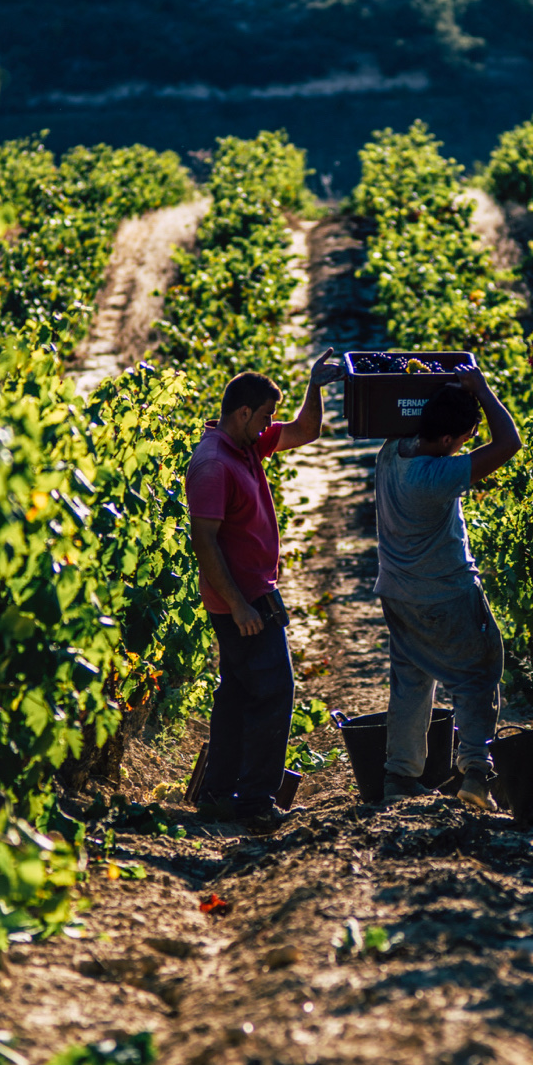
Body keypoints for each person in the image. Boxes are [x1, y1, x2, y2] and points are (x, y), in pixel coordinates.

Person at [186, 350, 342, 833]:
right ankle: (255, 802)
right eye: (266, 417)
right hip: (242, 600)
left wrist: (314, 386)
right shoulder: (214, 464)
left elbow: (304, 431)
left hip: (253, 594)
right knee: (275, 691)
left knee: (237, 693)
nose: (270, 426)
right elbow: (204, 542)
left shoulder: (245, 445)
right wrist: (238, 606)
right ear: (243, 412)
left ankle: (217, 795)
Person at [373, 368, 523, 812]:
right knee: (477, 674)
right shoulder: (435, 476)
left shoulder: (391, 452)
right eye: (462, 440)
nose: (464, 446)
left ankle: (399, 777)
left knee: (411, 681)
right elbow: (509, 444)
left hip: (397, 594)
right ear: (444, 440)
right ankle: (476, 774)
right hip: (444, 595)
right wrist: (484, 392)